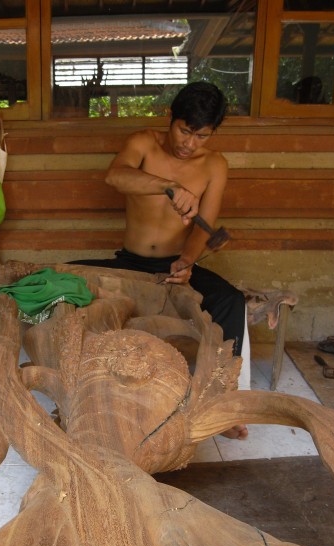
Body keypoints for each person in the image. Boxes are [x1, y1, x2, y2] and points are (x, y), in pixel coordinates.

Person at [72, 81, 249, 439]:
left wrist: (187, 262)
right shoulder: (143, 143)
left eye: (201, 136)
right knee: (68, 281)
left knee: (231, 300)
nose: (189, 143)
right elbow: (115, 175)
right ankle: (80, 390)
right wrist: (169, 186)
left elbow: (204, 227)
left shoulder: (214, 165)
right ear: (171, 117)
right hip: (129, 263)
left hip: (173, 266)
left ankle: (219, 402)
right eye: (185, 130)